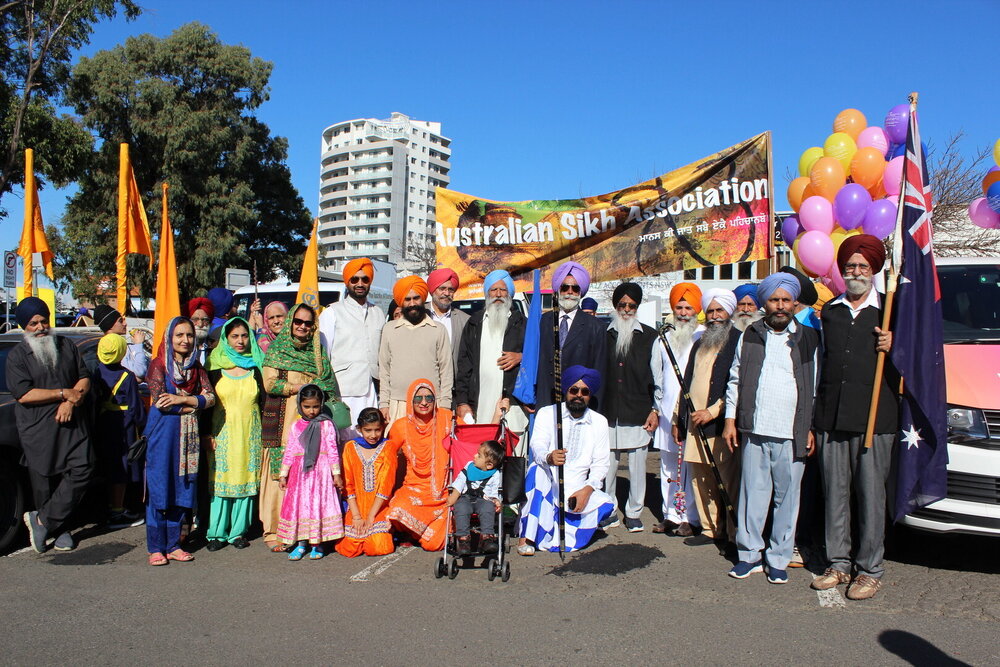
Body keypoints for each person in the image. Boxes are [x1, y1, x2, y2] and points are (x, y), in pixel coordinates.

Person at [811, 234, 897, 601]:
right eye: (850, 266)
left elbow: (917, 358)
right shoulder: (830, 311)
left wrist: (895, 344)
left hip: (875, 419)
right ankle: (838, 564)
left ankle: (870, 570)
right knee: (835, 495)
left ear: (874, 269)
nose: (856, 272)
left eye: (863, 266)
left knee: (871, 497)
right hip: (832, 417)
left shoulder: (891, 309)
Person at [723, 274, 820, 583]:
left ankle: (778, 558)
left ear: (794, 303)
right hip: (755, 428)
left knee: (787, 500)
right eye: (774, 300)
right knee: (752, 496)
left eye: (785, 300)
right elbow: (735, 379)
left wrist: (810, 427)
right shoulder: (750, 334)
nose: (780, 306)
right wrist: (730, 420)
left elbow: (815, 387)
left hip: (792, 431)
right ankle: (749, 555)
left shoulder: (809, 338)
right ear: (765, 303)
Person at [9, 297, 93, 553]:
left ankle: (43, 521)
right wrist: (62, 394)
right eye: (33, 323)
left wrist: (70, 401)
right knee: (44, 482)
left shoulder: (66, 345)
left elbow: (84, 378)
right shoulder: (17, 356)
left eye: (44, 321)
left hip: (72, 423)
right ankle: (58, 529)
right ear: (24, 326)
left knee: (83, 468)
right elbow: (24, 394)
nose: (40, 327)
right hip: (38, 429)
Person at [260, 303, 341, 551]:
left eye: (308, 323)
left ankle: (307, 531)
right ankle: (276, 531)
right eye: (298, 321)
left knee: (309, 477)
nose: (302, 327)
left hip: (313, 423)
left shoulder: (317, 353)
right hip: (285, 421)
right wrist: (300, 388)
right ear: (290, 323)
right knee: (283, 473)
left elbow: (328, 385)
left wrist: (318, 391)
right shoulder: (277, 349)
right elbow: (270, 384)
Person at [519, 366, 615, 554]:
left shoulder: (599, 421)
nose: (578, 395)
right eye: (574, 390)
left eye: (584, 392)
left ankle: (563, 526)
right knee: (537, 471)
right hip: (549, 483)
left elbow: (601, 464)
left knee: (606, 504)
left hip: (577, 488)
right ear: (566, 391)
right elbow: (537, 445)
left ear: (589, 395)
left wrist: (586, 490)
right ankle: (526, 537)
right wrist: (549, 457)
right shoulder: (548, 413)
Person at [143, 317, 216, 565]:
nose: (185, 340)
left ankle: (174, 545)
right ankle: (156, 547)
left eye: (189, 335)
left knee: (182, 487)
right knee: (160, 488)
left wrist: (183, 400)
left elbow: (211, 398)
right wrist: (194, 405)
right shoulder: (158, 365)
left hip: (188, 437)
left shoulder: (196, 368)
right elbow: (161, 402)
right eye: (179, 335)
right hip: (163, 436)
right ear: (169, 338)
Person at [675, 288, 742, 549]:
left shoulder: (738, 341)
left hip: (720, 424)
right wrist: (678, 418)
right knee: (700, 479)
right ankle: (710, 529)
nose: (714, 316)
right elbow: (687, 381)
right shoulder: (700, 342)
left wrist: (713, 412)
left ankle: (733, 534)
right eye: (711, 311)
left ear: (729, 312)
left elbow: (738, 386)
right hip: (695, 424)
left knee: (726, 480)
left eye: (719, 310)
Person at [601, 282, 661, 533]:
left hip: (638, 411)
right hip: (608, 411)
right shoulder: (602, 334)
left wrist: (655, 410)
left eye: (631, 306)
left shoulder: (650, 336)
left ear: (637, 308)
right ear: (615, 306)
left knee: (637, 469)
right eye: (622, 305)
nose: (626, 309)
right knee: (608, 468)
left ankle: (634, 512)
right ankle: (609, 510)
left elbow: (658, 377)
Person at [204, 317, 265, 552]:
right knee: (221, 482)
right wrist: (206, 434)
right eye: (234, 336)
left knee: (246, 481)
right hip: (222, 434)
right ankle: (216, 533)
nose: (240, 341)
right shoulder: (214, 367)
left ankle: (239, 532)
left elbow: (264, 403)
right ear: (225, 339)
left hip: (250, 434)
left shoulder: (257, 366)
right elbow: (206, 405)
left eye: (244, 336)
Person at [652, 282, 703, 536]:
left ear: (696, 310)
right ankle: (670, 514)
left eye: (688, 308)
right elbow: (656, 376)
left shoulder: (702, 336)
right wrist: (655, 409)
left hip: (690, 411)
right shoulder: (663, 338)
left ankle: (690, 517)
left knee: (689, 466)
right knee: (668, 466)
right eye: (679, 308)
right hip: (665, 411)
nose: (683, 313)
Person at [454, 269, 527, 433]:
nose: (498, 294)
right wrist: (462, 401)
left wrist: (521, 357)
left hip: (512, 407)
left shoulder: (522, 323)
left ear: (509, 293)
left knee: (512, 448)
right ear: (487, 293)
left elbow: (538, 356)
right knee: (482, 448)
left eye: (503, 290)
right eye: (493, 289)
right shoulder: (474, 323)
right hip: (480, 405)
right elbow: (464, 366)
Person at [277, 384, 344, 560]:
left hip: (320, 473)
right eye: (307, 406)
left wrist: (336, 474)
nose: (311, 411)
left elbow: (332, 450)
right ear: (300, 405)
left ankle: (317, 544)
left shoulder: (326, 425)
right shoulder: (295, 426)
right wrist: (283, 474)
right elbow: (290, 451)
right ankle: (301, 544)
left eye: (315, 406)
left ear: (321, 405)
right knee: (301, 507)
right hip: (300, 475)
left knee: (317, 506)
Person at [385, 378, 452, 551]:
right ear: (410, 400)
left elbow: (471, 439)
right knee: (396, 510)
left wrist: (497, 416)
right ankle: (414, 531)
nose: (424, 403)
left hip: (443, 494)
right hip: (413, 490)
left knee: (433, 544)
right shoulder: (400, 426)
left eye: (429, 398)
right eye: (418, 398)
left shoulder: (448, 419)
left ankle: (416, 532)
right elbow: (385, 457)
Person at [318, 257, 385, 431]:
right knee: (346, 438)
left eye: (365, 279)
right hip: (344, 390)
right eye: (354, 279)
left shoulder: (378, 312)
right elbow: (323, 356)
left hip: (372, 389)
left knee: (369, 437)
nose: (360, 284)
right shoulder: (332, 312)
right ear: (347, 282)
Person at [379, 276, 452, 425]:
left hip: (430, 404)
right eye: (407, 299)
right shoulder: (389, 329)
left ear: (423, 299)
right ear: (401, 302)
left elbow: (446, 370)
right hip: (397, 405)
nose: (412, 304)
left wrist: (445, 404)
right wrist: (384, 404)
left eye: (416, 298)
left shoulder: (438, 329)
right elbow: (384, 370)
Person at [92, 333, 146, 529]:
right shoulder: (127, 376)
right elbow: (135, 407)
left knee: (109, 465)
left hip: (103, 422)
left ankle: (108, 505)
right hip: (123, 425)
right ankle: (117, 511)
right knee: (121, 468)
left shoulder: (96, 372)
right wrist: (143, 424)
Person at [536, 262, 607, 409]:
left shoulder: (596, 327)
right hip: (546, 399)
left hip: (578, 401)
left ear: (581, 292)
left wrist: (594, 409)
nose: (570, 292)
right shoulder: (543, 321)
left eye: (575, 288)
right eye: (565, 287)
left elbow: (599, 370)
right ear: (558, 290)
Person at [336, 407, 398, 558]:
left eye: (377, 430)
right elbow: (348, 484)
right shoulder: (350, 447)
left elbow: (385, 486)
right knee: (349, 548)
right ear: (359, 429)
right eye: (368, 430)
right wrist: (356, 516)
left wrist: (371, 517)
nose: (373, 435)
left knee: (379, 547)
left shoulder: (388, 447)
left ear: (383, 428)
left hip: (379, 507)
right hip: (356, 507)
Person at [447, 439, 504, 556]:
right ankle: (463, 540)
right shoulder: (469, 467)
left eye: (479, 455)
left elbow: (494, 491)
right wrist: (454, 496)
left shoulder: (495, 474)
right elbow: (460, 482)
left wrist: (496, 501)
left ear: (489, 465)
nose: (475, 456)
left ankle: (487, 538)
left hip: (484, 500)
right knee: (461, 508)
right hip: (465, 497)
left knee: (488, 508)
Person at [426, 267, 470, 374]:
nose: (446, 293)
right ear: (433, 290)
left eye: (451, 289)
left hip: (453, 380)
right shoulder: (420, 314)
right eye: (442, 288)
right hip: (424, 380)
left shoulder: (464, 320)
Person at [93, 304, 149, 380]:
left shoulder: (117, 344)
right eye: (120, 321)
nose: (125, 323)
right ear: (110, 325)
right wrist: (138, 345)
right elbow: (140, 372)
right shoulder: (115, 348)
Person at [185, 297, 215, 365]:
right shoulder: (183, 347)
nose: (200, 324)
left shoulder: (215, 346)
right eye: (195, 319)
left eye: (205, 320)